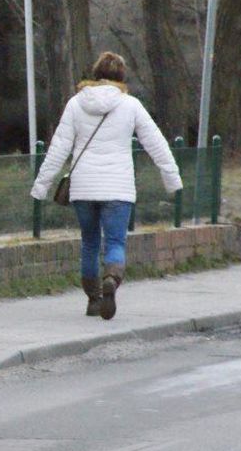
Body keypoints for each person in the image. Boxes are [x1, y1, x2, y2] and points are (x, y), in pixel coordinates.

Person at [31, 51, 183, 320]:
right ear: (122, 77)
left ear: (96, 73)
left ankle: (93, 299)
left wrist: (41, 186)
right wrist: (171, 178)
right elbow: (156, 143)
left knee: (89, 242)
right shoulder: (131, 106)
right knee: (115, 241)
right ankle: (111, 277)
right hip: (118, 188)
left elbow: (58, 147)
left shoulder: (76, 104)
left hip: (84, 188)